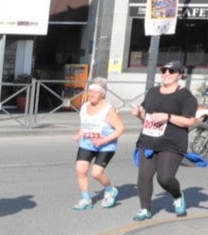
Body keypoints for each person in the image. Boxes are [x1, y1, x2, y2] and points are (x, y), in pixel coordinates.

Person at [129, 60, 200, 221]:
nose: (166, 74)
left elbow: (190, 121)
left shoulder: (185, 96)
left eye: (171, 71)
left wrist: (167, 117)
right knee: (144, 176)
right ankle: (145, 209)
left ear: (180, 75)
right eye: (164, 71)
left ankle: (177, 195)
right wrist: (138, 113)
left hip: (172, 143)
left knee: (165, 178)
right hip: (148, 140)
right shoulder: (153, 92)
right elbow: (147, 116)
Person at [73, 80, 125, 209]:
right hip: (87, 143)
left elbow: (120, 128)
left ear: (102, 94)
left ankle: (110, 189)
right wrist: (79, 134)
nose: (91, 94)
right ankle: (86, 199)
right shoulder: (85, 106)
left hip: (106, 145)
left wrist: (103, 140)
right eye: (89, 91)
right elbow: (85, 124)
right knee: (80, 170)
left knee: (96, 173)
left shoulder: (109, 109)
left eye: (95, 92)